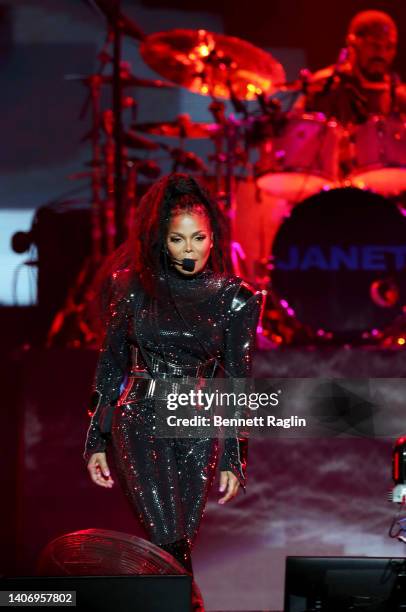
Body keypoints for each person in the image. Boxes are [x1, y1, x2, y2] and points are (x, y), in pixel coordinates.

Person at [83, 173, 263, 606]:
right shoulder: (131, 287)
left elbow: (238, 381)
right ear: (161, 241)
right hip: (140, 423)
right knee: (169, 540)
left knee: (177, 544)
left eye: (198, 238)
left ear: (213, 236)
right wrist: (95, 439)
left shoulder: (235, 298)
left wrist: (236, 458)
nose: (190, 250)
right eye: (178, 240)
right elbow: (110, 364)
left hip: (197, 427)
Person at [304, 10, 406, 123]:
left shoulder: (400, 97)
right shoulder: (326, 88)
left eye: (389, 47)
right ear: (353, 44)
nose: (382, 53)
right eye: (374, 45)